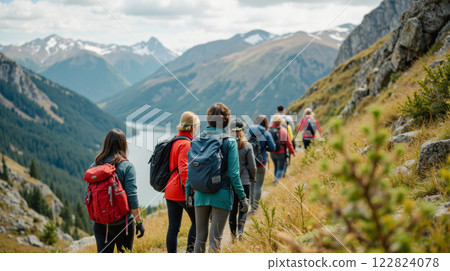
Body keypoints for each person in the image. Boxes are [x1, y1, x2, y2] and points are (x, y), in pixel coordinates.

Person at [185, 103, 249, 253]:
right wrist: (242, 197)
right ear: (226, 120)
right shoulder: (229, 141)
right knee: (215, 240)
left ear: (208, 119)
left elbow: (191, 169)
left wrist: (188, 192)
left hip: (200, 193)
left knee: (200, 237)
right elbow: (234, 174)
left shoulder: (196, 140)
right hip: (222, 193)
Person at [89, 128, 145, 253]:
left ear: (106, 144)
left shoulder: (94, 167)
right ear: (123, 144)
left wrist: (96, 218)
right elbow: (132, 197)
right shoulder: (127, 166)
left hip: (100, 224)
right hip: (123, 223)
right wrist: (139, 222)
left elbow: (90, 197)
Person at [164, 112, 199, 253]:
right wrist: (190, 190)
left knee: (173, 227)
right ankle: (190, 252)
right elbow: (184, 170)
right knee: (198, 223)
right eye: (197, 126)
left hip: (170, 191)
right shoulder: (185, 144)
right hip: (181, 191)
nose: (197, 129)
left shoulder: (175, 140)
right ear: (192, 127)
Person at [228, 118, 256, 241]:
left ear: (230, 130)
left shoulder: (227, 145)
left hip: (231, 182)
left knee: (232, 210)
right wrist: (253, 177)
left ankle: (233, 236)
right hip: (244, 181)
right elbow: (252, 166)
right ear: (243, 130)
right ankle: (240, 232)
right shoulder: (247, 145)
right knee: (244, 207)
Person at [248, 115, 275, 212]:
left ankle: (250, 205)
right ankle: (255, 208)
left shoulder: (249, 133)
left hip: (249, 162)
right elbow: (272, 148)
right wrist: (264, 149)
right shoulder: (266, 134)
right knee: (258, 186)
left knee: (251, 185)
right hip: (261, 162)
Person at [270, 115, 296, 184]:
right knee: (281, 168)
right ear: (280, 121)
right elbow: (288, 143)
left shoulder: (270, 130)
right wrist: (293, 152)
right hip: (281, 152)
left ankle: (275, 178)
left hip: (272, 152)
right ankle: (276, 180)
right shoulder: (283, 130)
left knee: (276, 167)